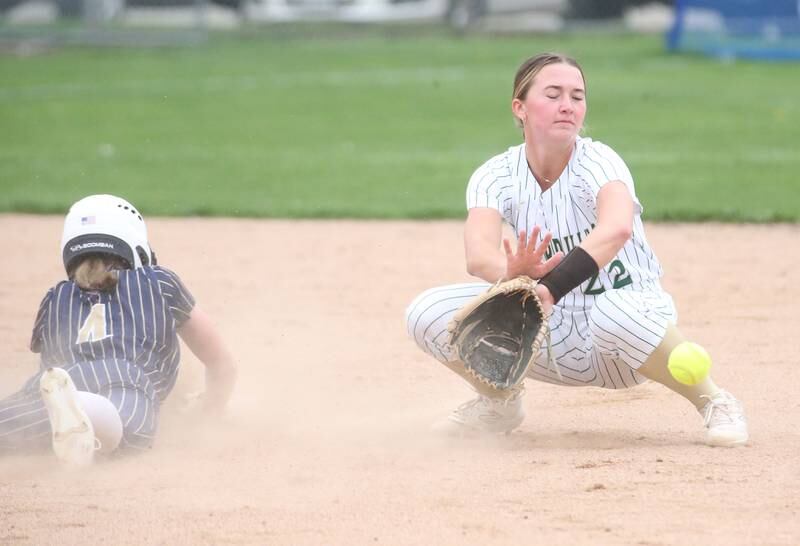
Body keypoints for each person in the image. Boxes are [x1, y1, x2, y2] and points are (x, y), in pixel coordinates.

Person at [405, 53, 748, 447]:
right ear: (520, 108)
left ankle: (715, 401)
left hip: (627, 335)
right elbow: (478, 255)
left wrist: (548, 287)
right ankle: (498, 403)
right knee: (425, 312)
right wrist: (510, 269)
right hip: (544, 332)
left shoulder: (599, 161)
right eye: (553, 94)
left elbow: (616, 227)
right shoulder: (495, 175)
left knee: (613, 312)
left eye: (577, 96)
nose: (568, 105)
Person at [0, 194, 237, 465]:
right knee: (126, 432)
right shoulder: (158, 281)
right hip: (125, 378)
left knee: (18, 425)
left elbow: (47, 362)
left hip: (61, 377)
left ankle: (69, 409)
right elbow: (221, 362)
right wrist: (210, 411)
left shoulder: (55, 296)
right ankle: (85, 409)